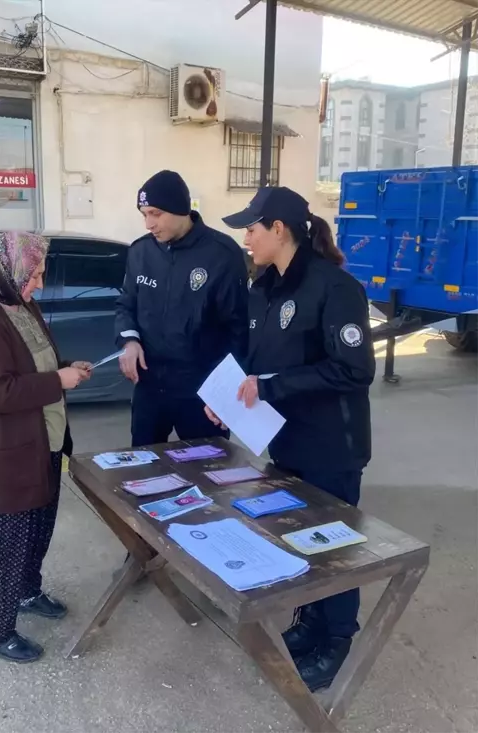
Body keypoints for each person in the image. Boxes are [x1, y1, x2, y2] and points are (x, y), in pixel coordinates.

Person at [210, 187, 376, 692]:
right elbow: (254, 361)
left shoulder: (335, 288)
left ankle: (337, 639)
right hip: (287, 444)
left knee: (334, 549)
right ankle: (309, 621)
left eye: (252, 229)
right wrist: (225, 396)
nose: (246, 238)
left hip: (331, 446)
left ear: (278, 228)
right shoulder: (263, 289)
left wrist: (272, 386)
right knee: (299, 539)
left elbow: (355, 369)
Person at [0, 232, 93, 664]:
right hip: (0, 459)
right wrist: (57, 383)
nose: (40, 285)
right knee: (2, 548)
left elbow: (31, 363)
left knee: (35, 532)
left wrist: (65, 370)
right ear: (9, 270)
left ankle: (27, 591)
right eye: (35, 274)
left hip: (40, 447)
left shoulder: (18, 302)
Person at [116, 169, 249, 447]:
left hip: (201, 391)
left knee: (209, 471)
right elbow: (126, 305)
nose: (148, 224)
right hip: (150, 386)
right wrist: (129, 340)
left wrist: (225, 394)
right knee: (144, 468)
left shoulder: (222, 254)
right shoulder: (141, 252)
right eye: (143, 214)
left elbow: (239, 329)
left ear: (181, 209)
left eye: (155, 213)